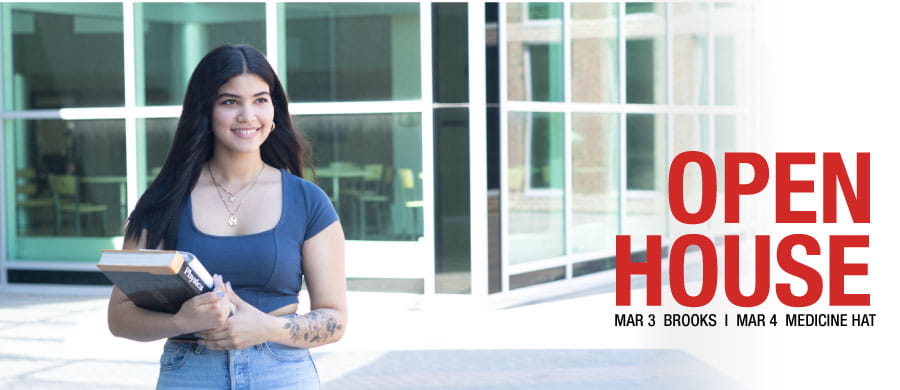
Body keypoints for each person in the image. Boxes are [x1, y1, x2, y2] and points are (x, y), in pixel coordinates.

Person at [107, 44, 346, 389]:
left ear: (274, 110)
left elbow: (335, 319)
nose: (248, 115)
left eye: (261, 100)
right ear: (205, 111)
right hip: (191, 371)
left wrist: (268, 328)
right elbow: (119, 317)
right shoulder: (165, 200)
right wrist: (179, 320)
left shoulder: (308, 201)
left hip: (282, 371)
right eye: (230, 101)